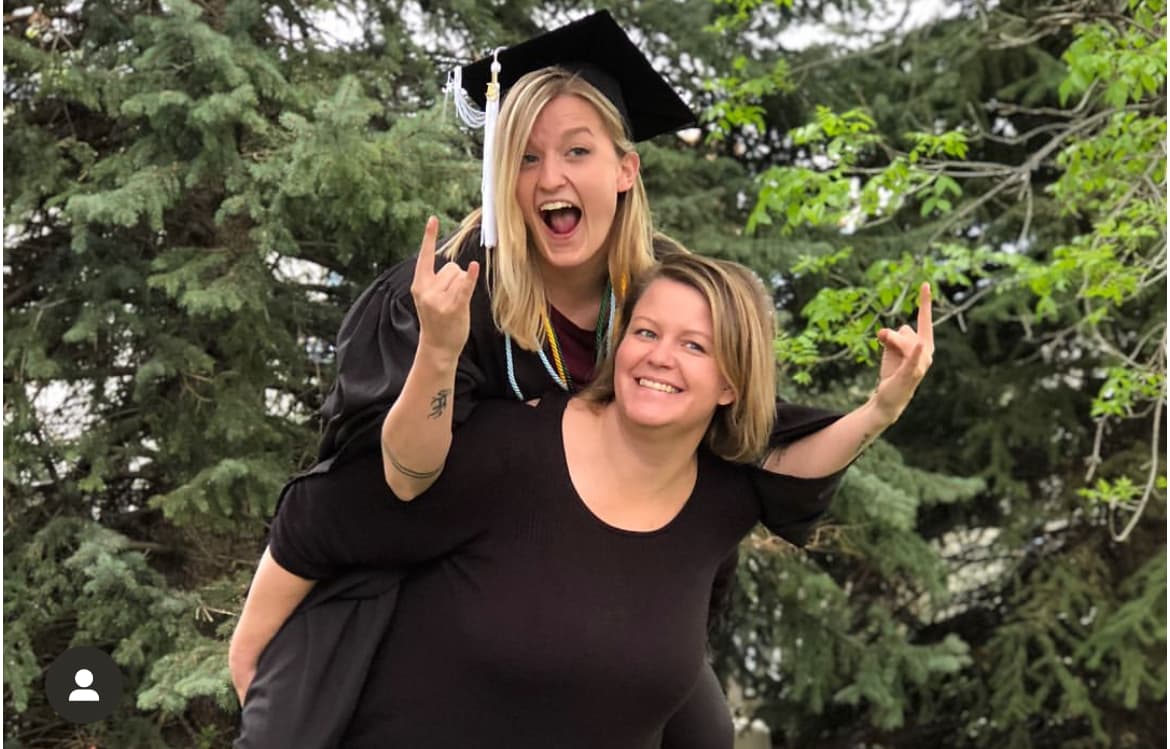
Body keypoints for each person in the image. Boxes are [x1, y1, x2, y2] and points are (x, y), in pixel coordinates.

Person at [231, 11, 927, 746]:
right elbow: (383, 488)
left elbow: (758, 442)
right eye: (526, 157)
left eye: (576, 150)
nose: (550, 177)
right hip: (421, 563)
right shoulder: (453, 288)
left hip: (611, 575)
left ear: (625, 170)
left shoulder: (660, 298)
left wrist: (879, 408)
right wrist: (438, 347)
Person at [236, 252, 934, 748]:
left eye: (695, 345)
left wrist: (881, 409)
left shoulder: (722, 496)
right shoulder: (508, 451)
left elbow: (796, 467)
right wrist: (250, 655)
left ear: (731, 384)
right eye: (646, 332)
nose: (660, 356)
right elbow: (324, 520)